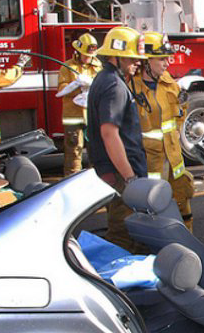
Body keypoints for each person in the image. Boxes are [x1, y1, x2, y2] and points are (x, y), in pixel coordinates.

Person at [86, 26, 148, 250]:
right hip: (121, 173)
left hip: (111, 170)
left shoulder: (104, 79)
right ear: (117, 55)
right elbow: (109, 134)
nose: (137, 62)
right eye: (132, 58)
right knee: (124, 234)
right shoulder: (114, 86)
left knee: (123, 230)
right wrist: (130, 177)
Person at [132, 32, 195, 230]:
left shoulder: (169, 84)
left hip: (174, 159)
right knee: (151, 211)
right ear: (146, 61)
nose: (167, 63)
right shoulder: (131, 87)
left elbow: (181, 110)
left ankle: (188, 244)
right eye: (162, 58)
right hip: (149, 164)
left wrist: (175, 131)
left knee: (182, 203)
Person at [57, 33, 103, 175]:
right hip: (73, 116)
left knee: (95, 151)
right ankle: (71, 180)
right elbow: (61, 89)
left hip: (92, 116)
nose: (88, 58)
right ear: (77, 52)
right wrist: (77, 86)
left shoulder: (97, 66)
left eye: (90, 56)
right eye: (85, 55)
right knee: (74, 150)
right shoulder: (67, 67)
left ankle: (95, 180)